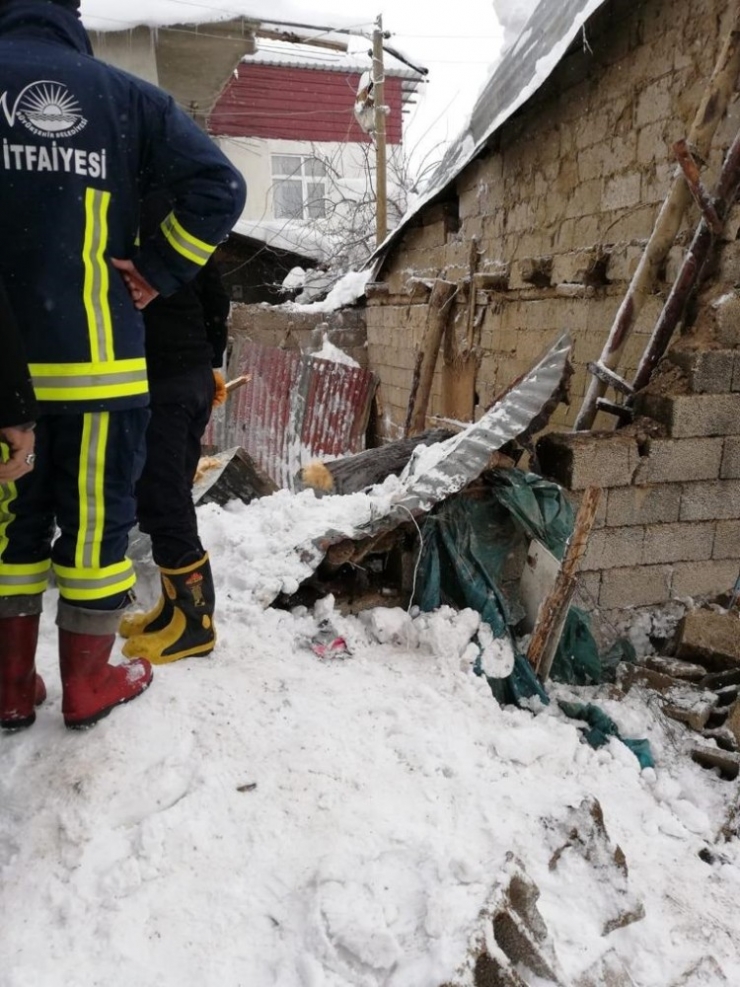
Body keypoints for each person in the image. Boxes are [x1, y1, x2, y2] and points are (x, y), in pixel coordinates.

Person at [0, 0, 246, 730]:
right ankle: (88, 682)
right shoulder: (123, 97)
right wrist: (159, 268)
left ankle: (12, 684)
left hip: (6, 373)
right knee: (97, 529)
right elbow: (222, 187)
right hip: (101, 368)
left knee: (10, 531)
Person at [118, 193, 231, 664]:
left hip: (165, 382)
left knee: (164, 500)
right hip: (185, 379)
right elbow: (216, 298)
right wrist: (211, 365)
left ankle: (196, 624)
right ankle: (173, 609)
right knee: (165, 497)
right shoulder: (180, 222)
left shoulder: (127, 220)